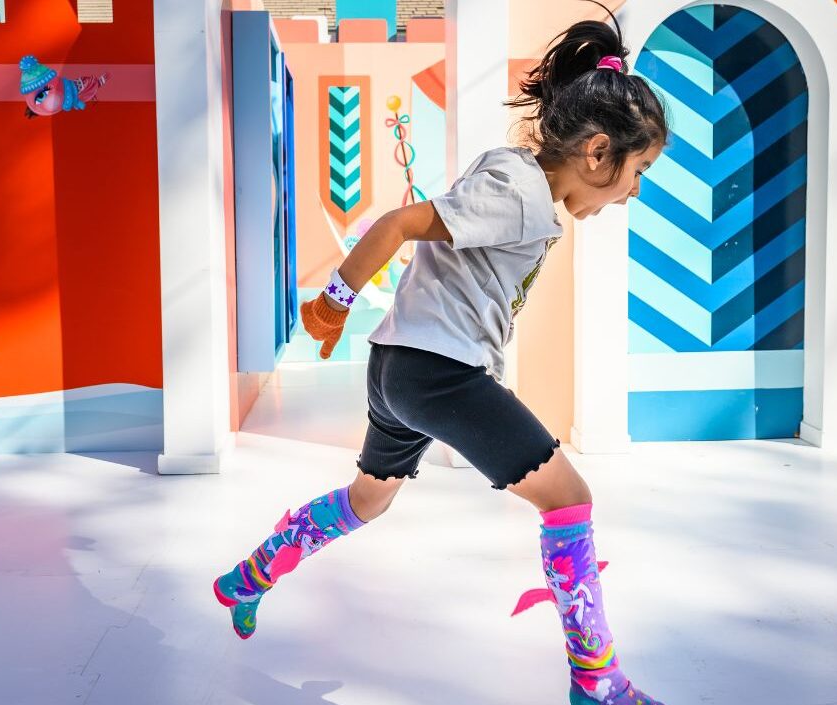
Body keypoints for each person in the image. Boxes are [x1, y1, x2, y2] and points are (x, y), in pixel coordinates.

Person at [213, 10, 669, 704]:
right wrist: (333, 299)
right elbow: (399, 223)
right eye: (637, 172)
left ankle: (253, 574)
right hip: (437, 373)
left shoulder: (523, 184)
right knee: (570, 500)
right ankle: (597, 680)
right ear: (598, 152)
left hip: (397, 370)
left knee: (368, 499)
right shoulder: (518, 191)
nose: (633, 191)